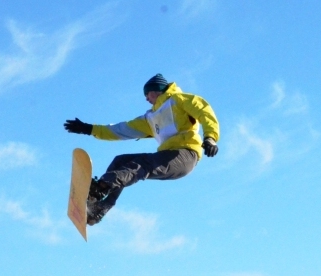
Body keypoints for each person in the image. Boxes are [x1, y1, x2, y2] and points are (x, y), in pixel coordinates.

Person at [64, 74, 220, 225]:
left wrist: (210, 138)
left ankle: (102, 186)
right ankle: (99, 208)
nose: (146, 99)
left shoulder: (179, 100)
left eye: (148, 95)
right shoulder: (150, 118)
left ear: (156, 91)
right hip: (165, 155)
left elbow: (204, 112)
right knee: (121, 161)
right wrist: (89, 129)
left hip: (185, 155)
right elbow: (121, 129)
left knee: (142, 164)